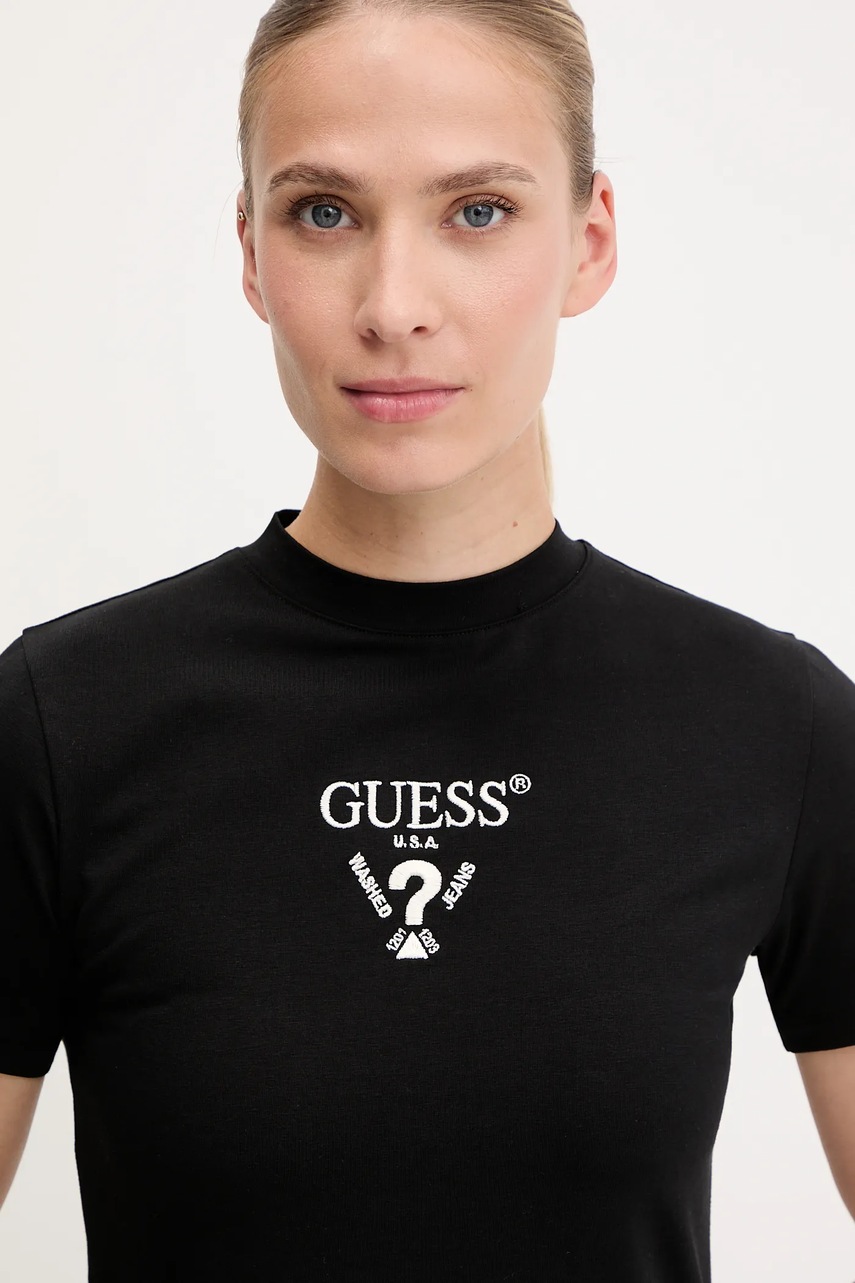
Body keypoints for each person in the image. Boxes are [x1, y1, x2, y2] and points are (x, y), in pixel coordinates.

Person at [1, 1, 853, 1279]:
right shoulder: (61, 721)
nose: (394, 307)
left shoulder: (776, 725)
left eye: (478, 211)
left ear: (589, 243)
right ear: (251, 253)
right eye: (323, 213)